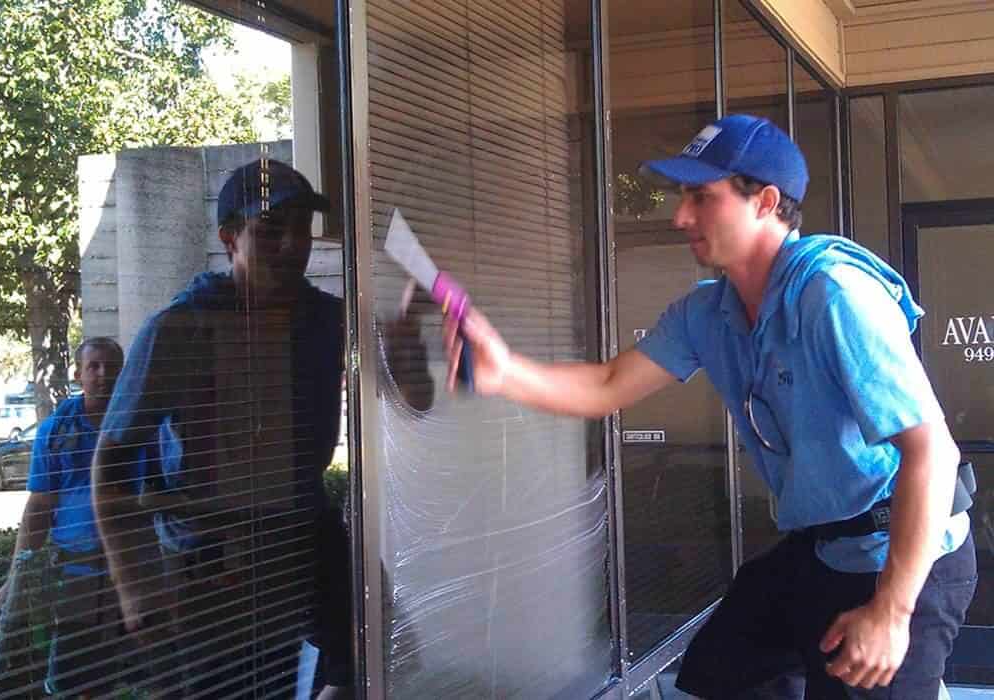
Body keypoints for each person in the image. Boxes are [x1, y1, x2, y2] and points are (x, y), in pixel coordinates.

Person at [443, 114, 977, 698]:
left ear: (765, 202)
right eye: (683, 197)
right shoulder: (707, 313)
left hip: (903, 556)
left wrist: (892, 614)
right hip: (824, 547)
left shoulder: (834, 295)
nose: (680, 217)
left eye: (702, 197)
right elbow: (607, 385)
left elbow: (933, 452)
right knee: (725, 666)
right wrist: (504, 372)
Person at [92, 159, 352, 699]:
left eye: (302, 228)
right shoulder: (181, 330)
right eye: (270, 229)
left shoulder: (328, 321)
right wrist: (133, 585)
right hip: (210, 556)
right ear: (229, 239)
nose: (292, 245)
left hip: (300, 533)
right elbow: (110, 464)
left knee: (359, 662)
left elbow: (409, 392)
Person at [0, 336, 130, 698]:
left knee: (131, 674)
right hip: (77, 570)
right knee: (71, 675)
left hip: (134, 566)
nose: (103, 374)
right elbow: (39, 507)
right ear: (77, 374)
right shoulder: (56, 430)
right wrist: (15, 577)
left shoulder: (139, 426)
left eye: (112, 367)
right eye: (93, 366)